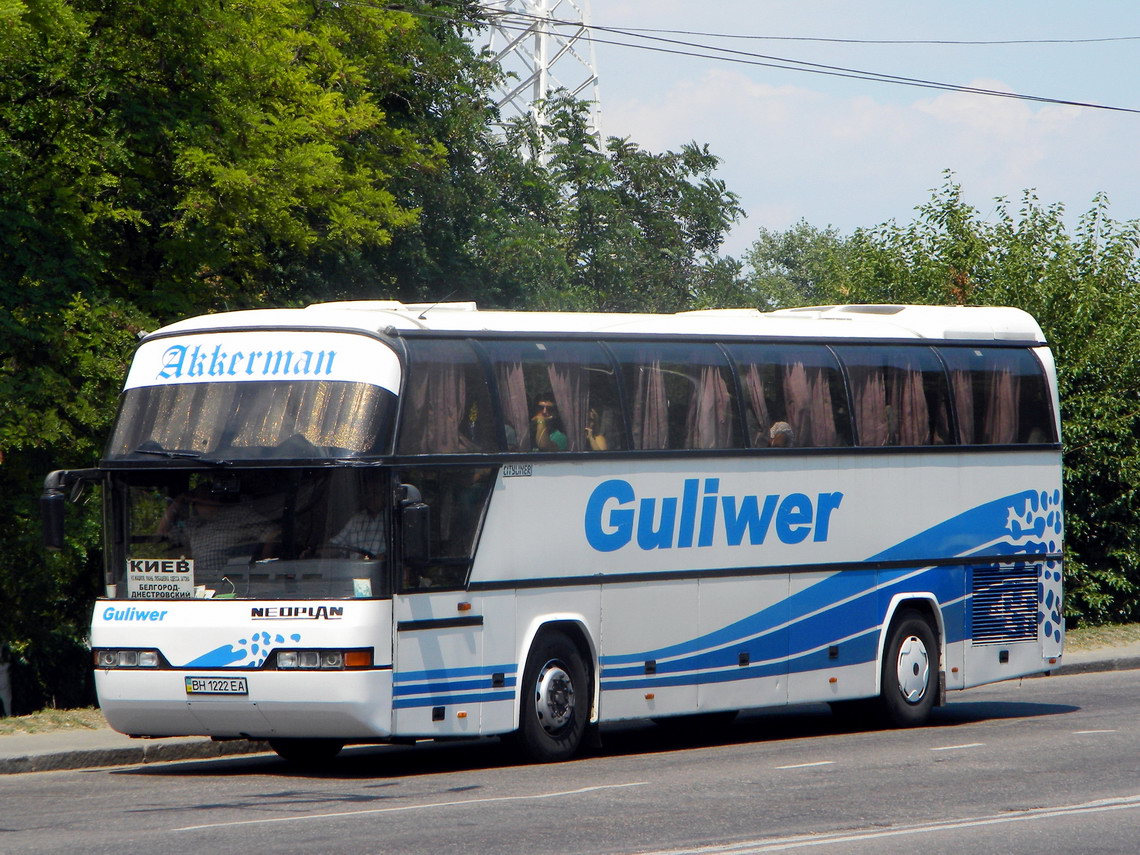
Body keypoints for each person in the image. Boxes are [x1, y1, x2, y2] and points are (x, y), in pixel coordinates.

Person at [327, 477, 388, 559]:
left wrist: (372, 558)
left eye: (375, 493)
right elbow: (336, 545)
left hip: (381, 571)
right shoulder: (355, 520)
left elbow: (395, 554)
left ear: (384, 495)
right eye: (368, 493)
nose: (371, 497)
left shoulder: (392, 519)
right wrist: (314, 553)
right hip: (354, 570)